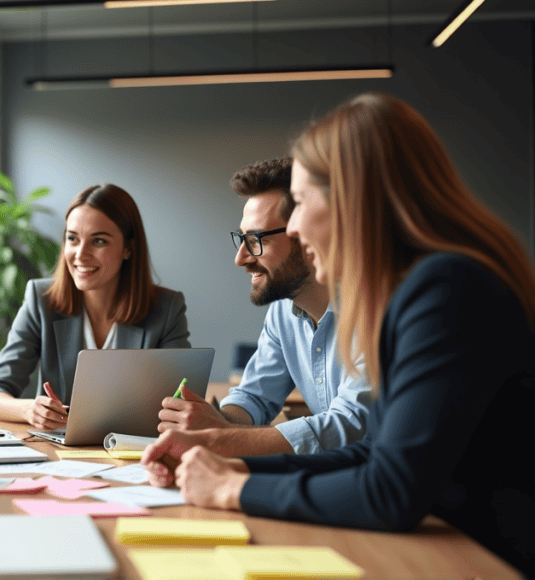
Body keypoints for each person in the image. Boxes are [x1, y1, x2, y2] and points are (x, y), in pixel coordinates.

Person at [142, 93, 535, 575]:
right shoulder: (428, 287)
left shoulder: (444, 289)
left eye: (302, 203)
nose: (299, 226)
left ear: (353, 202)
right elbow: (373, 454)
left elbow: (390, 490)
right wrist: (234, 463)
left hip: (485, 559)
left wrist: (232, 488)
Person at [157, 158, 371, 456]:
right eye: (242, 239)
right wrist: (210, 421)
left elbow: (351, 426)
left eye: (256, 239)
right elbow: (254, 397)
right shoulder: (284, 310)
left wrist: (220, 436)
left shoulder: (373, 308)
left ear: (304, 232)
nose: (241, 258)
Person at [0, 183, 191, 428]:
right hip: (60, 456)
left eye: (98, 241)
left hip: (135, 454)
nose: (80, 254)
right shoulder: (41, 300)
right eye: (72, 239)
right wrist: (29, 409)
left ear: (128, 248)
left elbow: (182, 402)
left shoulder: (166, 308)